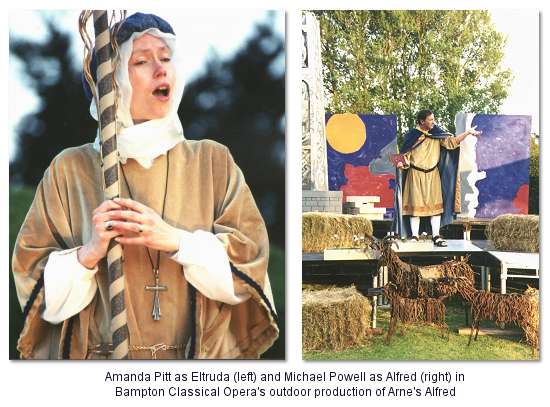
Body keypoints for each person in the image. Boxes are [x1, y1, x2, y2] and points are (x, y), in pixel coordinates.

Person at [12, 12, 278, 359]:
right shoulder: (69, 170)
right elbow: (33, 284)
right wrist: (88, 254)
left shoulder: (213, 162)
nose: (161, 68)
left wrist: (176, 241)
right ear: (112, 82)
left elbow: (250, 266)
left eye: (166, 58)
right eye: (141, 61)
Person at [393, 109, 481, 246]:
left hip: (433, 175)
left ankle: (436, 236)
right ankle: (415, 236)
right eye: (430, 120)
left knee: (435, 208)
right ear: (422, 121)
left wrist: (468, 133)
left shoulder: (437, 134)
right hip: (415, 175)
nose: (433, 122)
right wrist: (400, 163)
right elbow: (404, 155)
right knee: (415, 207)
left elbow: (452, 142)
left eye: (433, 119)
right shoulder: (412, 136)